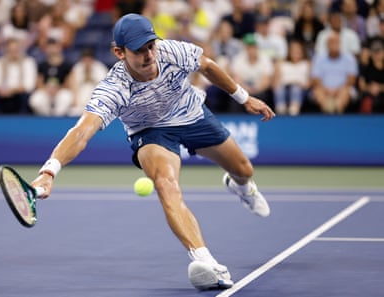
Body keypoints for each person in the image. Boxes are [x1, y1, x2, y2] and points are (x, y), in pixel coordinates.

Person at [31, 13, 275, 290]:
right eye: (139, 50)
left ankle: (240, 186)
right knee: (165, 184)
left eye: (151, 46)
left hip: (192, 114)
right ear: (119, 52)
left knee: (244, 170)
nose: (149, 55)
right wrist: (49, 170)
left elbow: (206, 66)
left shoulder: (172, 51)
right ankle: (206, 262)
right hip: (150, 132)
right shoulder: (113, 89)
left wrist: (244, 98)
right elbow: (82, 131)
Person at [310, 31, 358, 114]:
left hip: (343, 88)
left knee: (345, 91)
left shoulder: (349, 58)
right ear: (327, 45)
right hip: (323, 88)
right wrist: (326, 89)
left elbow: (351, 79)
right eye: (332, 42)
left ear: (340, 44)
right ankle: (327, 111)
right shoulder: (319, 58)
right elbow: (315, 79)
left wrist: (337, 89)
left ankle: (338, 111)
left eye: (336, 42)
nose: (334, 45)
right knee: (318, 91)